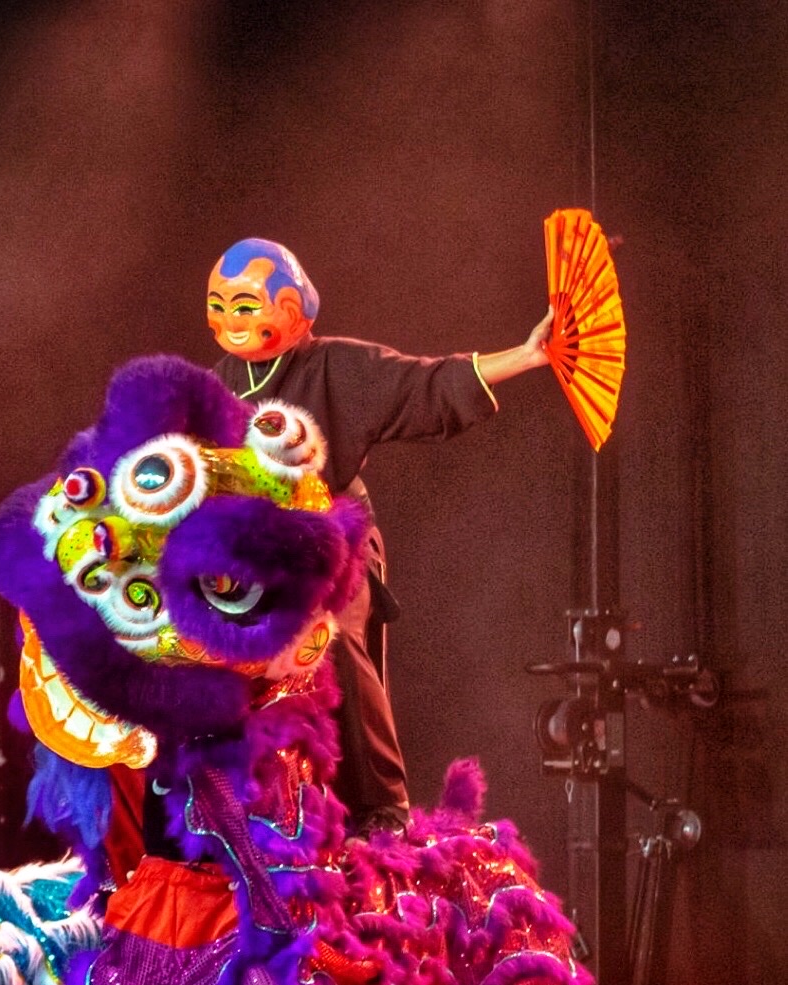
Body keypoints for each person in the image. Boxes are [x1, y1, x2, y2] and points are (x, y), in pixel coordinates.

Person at [205, 237, 552, 832]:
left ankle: (382, 807)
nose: (230, 320)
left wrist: (523, 356)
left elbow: (425, 383)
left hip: (336, 544)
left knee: (333, 638)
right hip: (253, 565)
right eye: (218, 306)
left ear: (291, 308)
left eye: (244, 305)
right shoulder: (214, 387)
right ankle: (249, 809)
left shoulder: (337, 367)